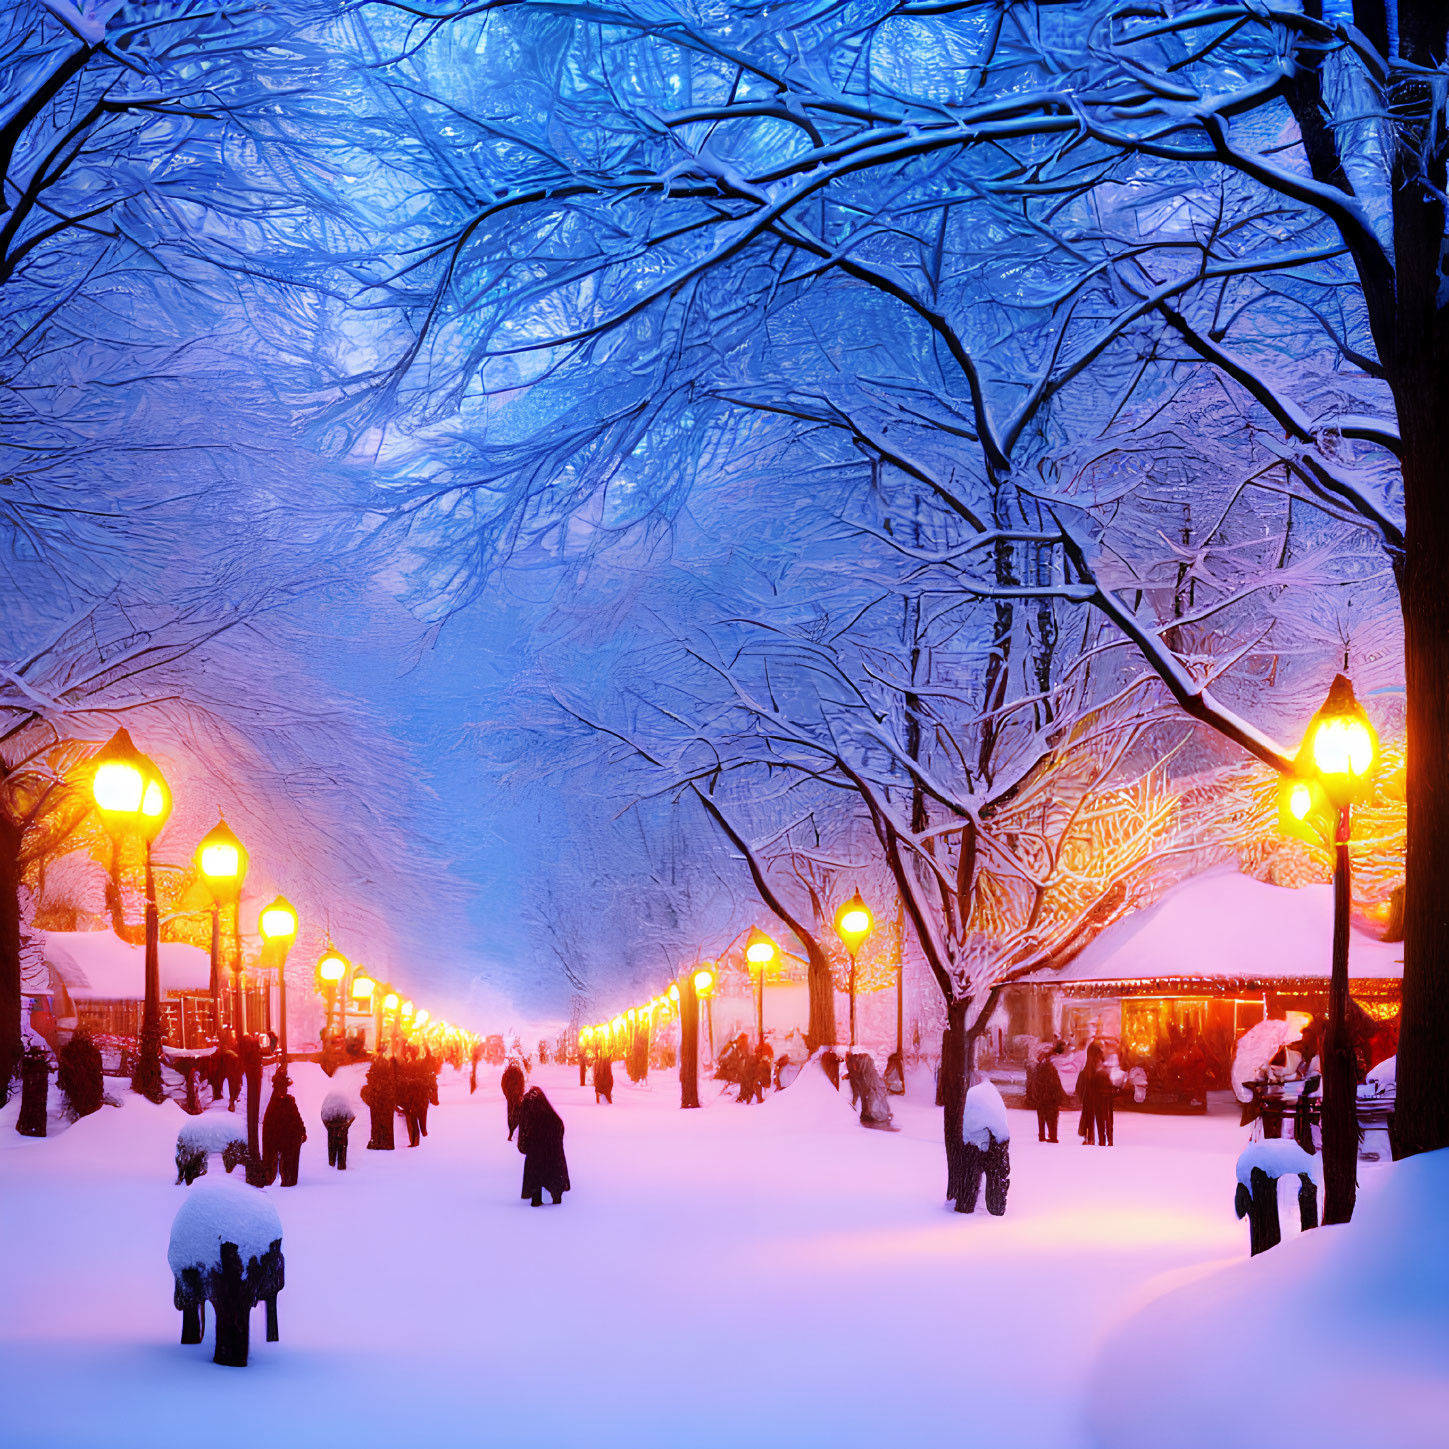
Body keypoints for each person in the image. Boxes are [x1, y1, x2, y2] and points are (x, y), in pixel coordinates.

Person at [516, 1087, 570, 1206]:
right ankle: (556, 1196)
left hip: (536, 1145)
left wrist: (524, 1145)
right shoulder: (549, 1114)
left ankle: (537, 1198)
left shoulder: (527, 1106)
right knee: (554, 1169)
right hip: (549, 1145)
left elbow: (523, 1127)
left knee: (536, 1171)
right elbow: (559, 1126)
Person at [262, 1071, 307, 1186]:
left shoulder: (289, 1102)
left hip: (289, 1136)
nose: (283, 1090)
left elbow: (296, 1118)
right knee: (277, 1159)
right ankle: (277, 1178)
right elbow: (269, 1124)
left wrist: (302, 1130)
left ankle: (288, 1179)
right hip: (279, 1136)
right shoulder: (274, 1104)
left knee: (289, 1159)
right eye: (280, 1088)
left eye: (284, 1088)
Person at [1075, 1041, 1114, 1147]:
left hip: (1089, 1099)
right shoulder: (1100, 1071)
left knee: (1089, 1119)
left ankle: (1089, 1138)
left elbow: (1079, 1088)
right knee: (1102, 1120)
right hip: (1101, 1099)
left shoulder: (1086, 1072)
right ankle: (1103, 1140)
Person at [1032, 1042, 1066, 1143]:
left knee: (1042, 1114)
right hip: (1051, 1095)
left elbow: (1036, 1081)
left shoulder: (1041, 1066)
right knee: (1053, 1116)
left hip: (1042, 1095)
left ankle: (1042, 1135)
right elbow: (1056, 1083)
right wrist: (1059, 1095)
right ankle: (1052, 1136)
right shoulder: (1052, 1065)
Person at [362, 1054, 397, 1150]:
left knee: (376, 1121)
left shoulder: (376, 1067)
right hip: (387, 1098)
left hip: (377, 1098)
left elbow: (371, 1079)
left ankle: (377, 1141)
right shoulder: (389, 1067)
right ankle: (387, 1142)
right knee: (387, 1121)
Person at [501, 1059, 527, 1139]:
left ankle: (511, 1131)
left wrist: (506, 1094)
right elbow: (522, 1083)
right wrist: (521, 1093)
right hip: (517, 1095)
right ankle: (517, 1130)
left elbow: (503, 1084)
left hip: (510, 1095)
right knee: (518, 1112)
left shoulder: (507, 1072)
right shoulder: (519, 1071)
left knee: (510, 1112)